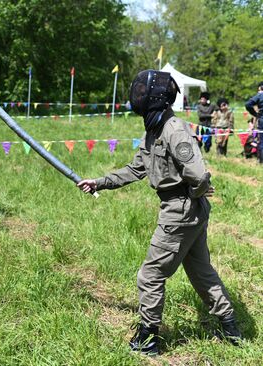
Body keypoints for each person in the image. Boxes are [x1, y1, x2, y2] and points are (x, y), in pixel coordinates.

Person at [77, 70, 242, 355]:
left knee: (150, 275)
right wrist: (99, 182)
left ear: (156, 96)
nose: (138, 96)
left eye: (143, 92)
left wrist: (192, 196)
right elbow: (135, 169)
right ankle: (231, 328)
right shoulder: (153, 129)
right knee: (201, 272)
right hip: (186, 210)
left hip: (180, 211)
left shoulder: (173, 128)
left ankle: (148, 338)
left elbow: (200, 175)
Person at [245, 81, 263, 163]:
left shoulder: (260, 95)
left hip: (262, 119)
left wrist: (255, 114)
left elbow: (248, 104)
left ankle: (261, 161)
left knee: (262, 141)